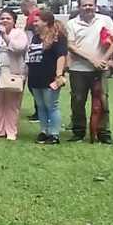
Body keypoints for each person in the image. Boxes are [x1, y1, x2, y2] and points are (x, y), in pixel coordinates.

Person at [66, 0, 113, 144]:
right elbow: (71, 46)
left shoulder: (105, 20)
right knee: (77, 101)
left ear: (96, 6)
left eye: (90, 5)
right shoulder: (72, 23)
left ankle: (103, 133)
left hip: (101, 69)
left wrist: (105, 59)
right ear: (79, 7)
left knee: (103, 101)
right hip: (78, 69)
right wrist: (92, 60)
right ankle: (78, 132)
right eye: (84, 5)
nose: (88, 8)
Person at [26, 10, 67, 145]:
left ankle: (54, 134)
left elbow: (61, 56)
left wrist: (59, 75)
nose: (34, 23)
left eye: (37, 21)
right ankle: (44, 131)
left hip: (50, 77)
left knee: (52, 105)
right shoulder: (36, 37)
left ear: (46, 22)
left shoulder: (57, 37)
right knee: (41, 106)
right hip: (35, 77)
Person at [0, 9, 29, 141]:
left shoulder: (19, 33)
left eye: (8, 18)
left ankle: (11, 130)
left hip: (13, 71)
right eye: (2, 18)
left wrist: (5, 35)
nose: (4, 21)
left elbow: (18, 48)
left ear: (14, 21)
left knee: (12, 102)